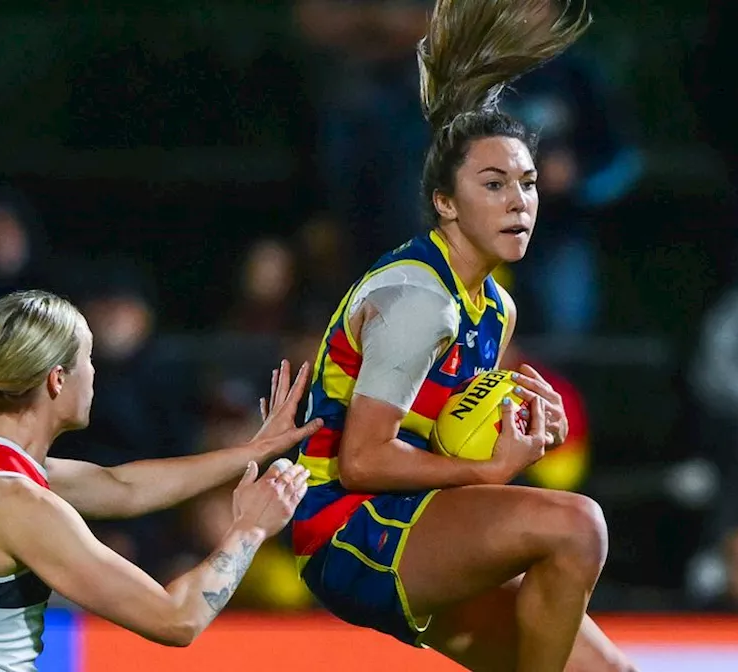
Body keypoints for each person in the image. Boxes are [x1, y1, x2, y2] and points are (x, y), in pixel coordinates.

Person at [288, 0, 636, 670]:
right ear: (445, 201)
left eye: (529, 184)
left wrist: (518, 430)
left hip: (414, 518)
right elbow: (362, 460)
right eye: (495, 183)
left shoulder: (495, 307)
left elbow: (449, 428)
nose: (520, 202)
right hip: (348, 527)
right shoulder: (421, 300)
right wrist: (488, 469)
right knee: (578, 525)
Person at [0, 290, 320, 672]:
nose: (95, 374)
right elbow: (177, 619)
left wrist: (253, 450)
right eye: (87, 361)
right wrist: (250, 528)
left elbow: (120, 486)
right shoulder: (21, 505)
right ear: (57, 380)